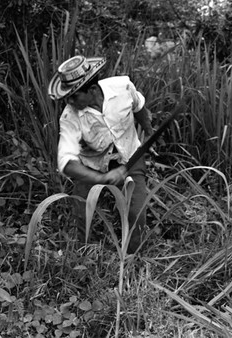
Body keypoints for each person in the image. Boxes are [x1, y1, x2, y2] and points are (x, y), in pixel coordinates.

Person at [48, 55, 154, 254]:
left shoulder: (123, 87)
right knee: (82, 214)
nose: (69, 101)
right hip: (93, 165)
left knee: (136, 212)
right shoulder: (70, 116)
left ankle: (133, 258)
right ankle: (85, 256)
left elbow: (139, 106)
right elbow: (66, 161)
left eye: (74, 96)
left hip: (129, 155)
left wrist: (148, 131)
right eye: (67, 97)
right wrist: (101, 178)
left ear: (93, 90)